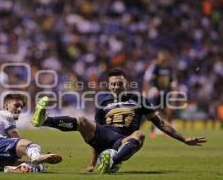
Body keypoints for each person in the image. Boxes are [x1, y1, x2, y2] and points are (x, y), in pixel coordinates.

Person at [31, 69, 206, 174]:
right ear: (109, 86)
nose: (115, 87)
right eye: (113, 84)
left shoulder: (139, 99)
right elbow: (95, 136)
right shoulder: (103, 102)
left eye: (119, 84)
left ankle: (112, 160)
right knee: (83, 120)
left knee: (140, 134)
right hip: (104, 135)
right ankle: (44, 120)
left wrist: (184, 139)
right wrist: (91, 163)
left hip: (122, 140)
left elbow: (160, 123)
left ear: (126, 84)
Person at [0, 93, 62, 173]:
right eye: (16, 105)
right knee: (31, 146)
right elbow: (14, 134)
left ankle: (11, 169)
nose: (19, 109)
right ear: (6, 105)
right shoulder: (6, 114)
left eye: (21, 107)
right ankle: (36, 156)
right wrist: (23, 148)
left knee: (37, 166)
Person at [143, 50, 178, 138]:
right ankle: (153, 130)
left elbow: (172, 81)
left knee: (169, 111)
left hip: (166, 92)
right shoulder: (155, 67)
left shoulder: (169, 68)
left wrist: (174, 92)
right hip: (156, 93)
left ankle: (168, 130)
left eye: (162, 57)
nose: (161, 59)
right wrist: (153, 89)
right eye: (160, 56)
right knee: (155, 112)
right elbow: (151, 80)